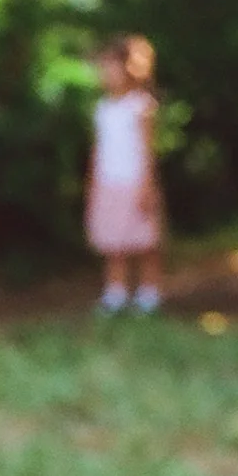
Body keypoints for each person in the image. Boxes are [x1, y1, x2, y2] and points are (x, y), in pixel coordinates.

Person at [86, 34, 163, 314]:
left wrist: (147, 185)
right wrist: (93, 183)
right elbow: (98, 150)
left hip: (135, 182)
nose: (106, 74)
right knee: (113, 242)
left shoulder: (141, 106)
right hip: (109, 183)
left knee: (143, 243)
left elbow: (147, 151)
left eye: (111, 67)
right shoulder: (103, 108)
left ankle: (149, 295)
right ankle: (115, 294)